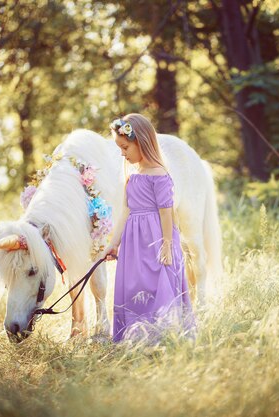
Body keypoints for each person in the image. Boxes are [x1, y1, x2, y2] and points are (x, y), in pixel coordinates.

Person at [102, 113, 196, 344]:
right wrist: (113, 244)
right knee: (133, 286)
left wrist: (166, 245)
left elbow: (166, 213)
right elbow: (125, 212)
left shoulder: (160, 176)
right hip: (134, 244)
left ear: (141, 142)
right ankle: (134, 337)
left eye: (125, 148)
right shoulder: (132, 177)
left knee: (156, 284)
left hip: (156, 240)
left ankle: (162, 335)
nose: (122, 154)